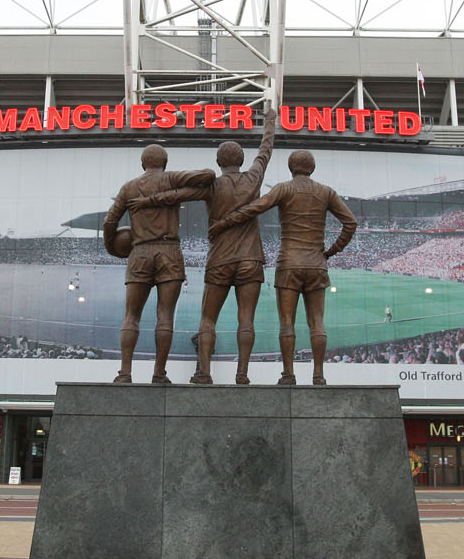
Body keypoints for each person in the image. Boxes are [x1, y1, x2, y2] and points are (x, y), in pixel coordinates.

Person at [129, 109, 275, 384]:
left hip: (220, 259)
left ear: (218, 162)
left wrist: (149, 200)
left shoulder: (212, 186)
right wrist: (269, 121)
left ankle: (204, 372)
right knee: (246, 320)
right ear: (241, 160)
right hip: (250, 259)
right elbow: (265, 150)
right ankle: (242, 375)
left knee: (208, 320)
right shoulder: (254, 177)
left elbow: (178, 195)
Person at [210, 150, 357, 385]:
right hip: (316, 263)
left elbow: (255, 208)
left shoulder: (284, 188)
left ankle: (288, 375)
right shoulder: (326, 191)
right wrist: (331, 251)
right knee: (317, 322)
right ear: (312, 168)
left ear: (291, 168)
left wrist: (225, 222)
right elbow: (351, 223)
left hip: (289, 263)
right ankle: (318, 376)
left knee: (287, 322)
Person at [103, 146, 215, 384]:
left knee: (131, 316)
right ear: (164, 163)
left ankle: (125, 373)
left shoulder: (129, 187)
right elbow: (208, 175)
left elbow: (109, 221)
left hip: (140, 251)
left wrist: (112, 248)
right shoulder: (171, 178)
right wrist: (174, 193)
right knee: (165, 316)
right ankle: (159, 373)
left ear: (143, 163)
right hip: (168, 251)